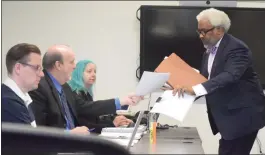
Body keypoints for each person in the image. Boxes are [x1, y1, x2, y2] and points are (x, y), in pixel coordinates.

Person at [172, 8, 265, 155]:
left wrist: (195, 89)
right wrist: (180, 89)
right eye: (199, 32)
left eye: (204, 31)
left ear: (219, 30)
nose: (200, 36)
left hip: (243, 117)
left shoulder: (237, 48)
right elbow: (202, 81)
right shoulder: (209, 51)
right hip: (227, 117)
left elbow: (229, 75)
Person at [29, 44, 143, 134]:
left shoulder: (64, 86)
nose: (74, 66)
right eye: (71, 62)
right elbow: (40, 131)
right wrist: (69, 134)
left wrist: (123, 101)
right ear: (58, 65)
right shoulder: (39, 88)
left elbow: (84, 107)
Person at [68, 60, 133, 133]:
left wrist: (116, 120)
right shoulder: (73, 93)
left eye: (95, 71)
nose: (93, 74)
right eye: (89, 71)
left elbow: (95, 119)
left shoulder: (87, 93)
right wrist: (112, 124)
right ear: (78, 73)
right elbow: (87, 125)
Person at [2, 43, 44, 127]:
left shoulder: (21, 98)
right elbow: (30, 140)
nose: (42, 74)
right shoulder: (8, 102)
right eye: (37, 68)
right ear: (18, 68)